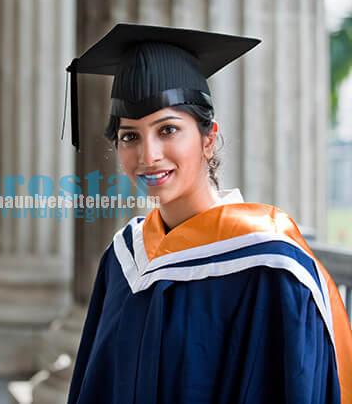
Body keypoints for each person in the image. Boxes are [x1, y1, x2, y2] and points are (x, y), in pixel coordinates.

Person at [64, 24, 352, 404]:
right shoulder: (124, 260)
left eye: (167, 129)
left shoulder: (270, 269)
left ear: (208, 137)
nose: (147, 155)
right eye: (129, 136)